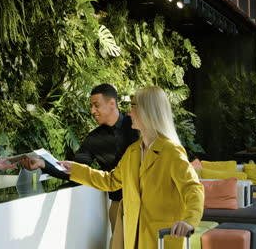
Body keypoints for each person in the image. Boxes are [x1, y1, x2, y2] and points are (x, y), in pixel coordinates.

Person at [58, 86, 204, 249]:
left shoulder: (171, 151)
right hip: (132, 234)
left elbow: (193, 188)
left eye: (133, 106)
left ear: (147, 110)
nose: (128, 112)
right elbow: (111, 181)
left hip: (160, 237)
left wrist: (189, 221)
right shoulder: (133, 151)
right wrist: (76, 170)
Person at [20, 83, 138, 231]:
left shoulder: (136, 126)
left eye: (96, 105)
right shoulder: (93, 139)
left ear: (112, 103)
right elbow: (75, 171)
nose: (92, 111)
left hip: (144, 203)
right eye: (91, 106)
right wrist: (43, 165)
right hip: (118, 205)